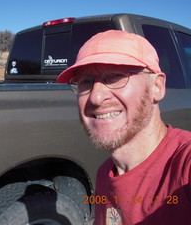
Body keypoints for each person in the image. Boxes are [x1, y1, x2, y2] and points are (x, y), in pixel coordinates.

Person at [56, 30, 191, 225]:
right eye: (85, 81)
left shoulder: (183, 164)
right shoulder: (105, 173)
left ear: (157, 86)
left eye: (115, 77)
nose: (96, 97)